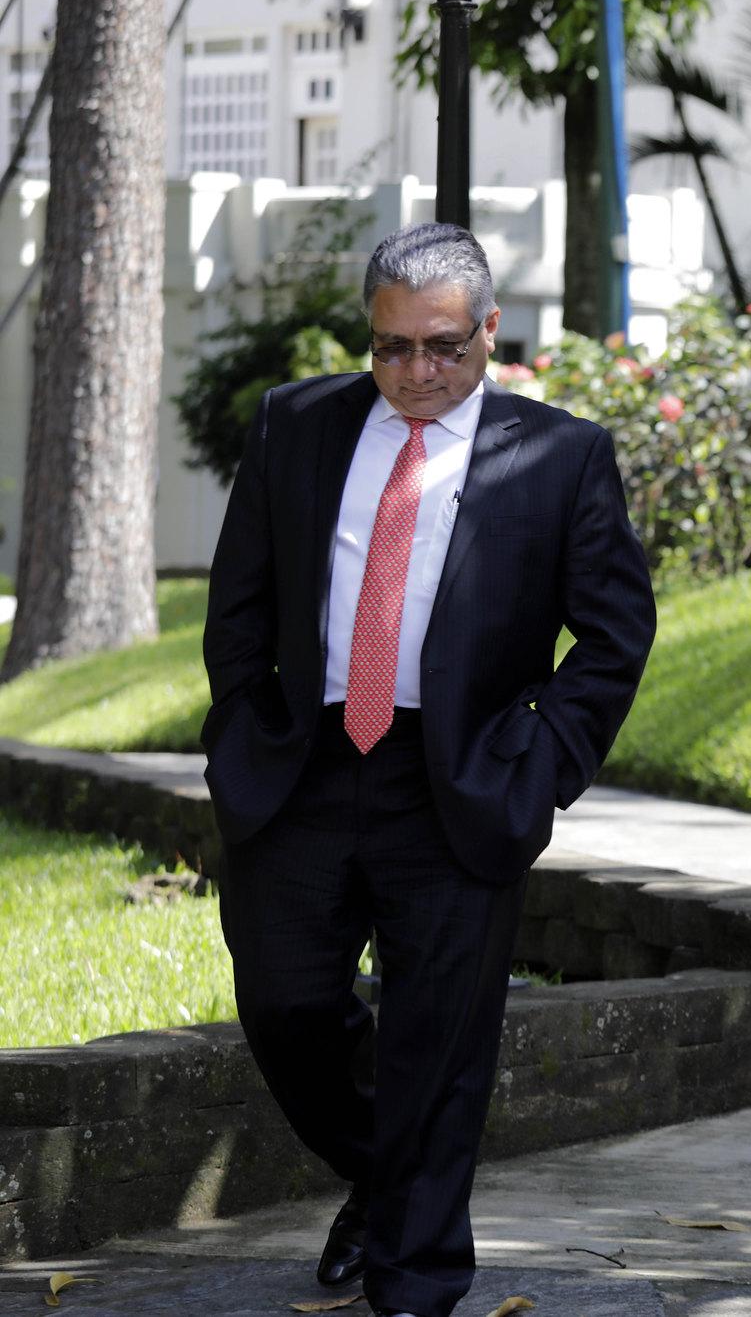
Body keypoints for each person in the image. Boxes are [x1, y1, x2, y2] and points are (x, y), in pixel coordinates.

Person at [201, 222, 656, 1317]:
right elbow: (241, 603)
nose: (417, 372)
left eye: (443, 348)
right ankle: (385, 1170)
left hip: (458, 778)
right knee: (286, 1005)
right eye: (393, 347)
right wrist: (241, 724)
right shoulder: (296, 425)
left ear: (490, 331)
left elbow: (613, 635)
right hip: (303, 767)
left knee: (440, 1041)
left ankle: (415, 1279)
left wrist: (541, 761)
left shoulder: (561, 454)